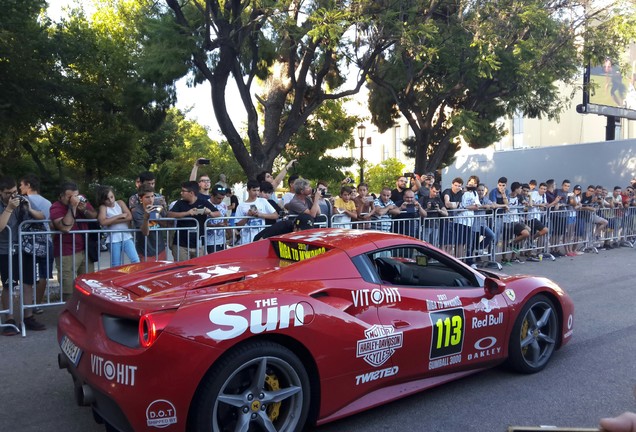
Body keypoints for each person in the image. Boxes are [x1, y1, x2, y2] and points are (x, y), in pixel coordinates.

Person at [0, 176, 46, 334]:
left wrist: (28, 208)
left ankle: (28, 317)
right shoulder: (4, 205)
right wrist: (9, 208)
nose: (12, 195)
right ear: (1, 193)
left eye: (14, 191)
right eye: (8, 193)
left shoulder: (22, 200)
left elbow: (42, 217)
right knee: (8, 285)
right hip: (6, 250)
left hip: (25, 248)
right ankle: (9, 319)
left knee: (28, 283)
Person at [50, 181, 98, 301]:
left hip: (85, 249)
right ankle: (69, 313)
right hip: (66, 251)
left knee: (88, 285)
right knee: (68, 288)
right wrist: (73, 207)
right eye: (70, 197)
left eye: (76, 195)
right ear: (61, 196)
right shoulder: (56, 207)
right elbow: (65, 227)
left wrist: (85, 210)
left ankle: (86, 314)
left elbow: (94, 216)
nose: (74, 199)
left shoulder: (82, 201)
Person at [19, 174, 54, 311]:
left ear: (28, 185)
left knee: (28, 275)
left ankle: (28, 305)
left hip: (29, 243)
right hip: (47, 241)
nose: (20, 187)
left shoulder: (23, 200)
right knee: (44, 274)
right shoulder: (47, 202)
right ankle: (37, 304)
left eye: (21, 184)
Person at [167, 181, 220, 261]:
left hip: (199, 244)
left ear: (191, 193)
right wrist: (187, 213)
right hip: (181, 244)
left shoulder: (203, 202)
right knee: (181, 270)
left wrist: (210, 212)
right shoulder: (180, 203)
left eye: (183, 191)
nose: (181, 193)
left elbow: (218, 213)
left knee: (198, 270)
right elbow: (170, 214)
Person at [96, 186, 139, 267]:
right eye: (107, 199)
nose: (111, 200)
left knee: (135, 259)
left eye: (112, 197)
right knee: (116, 264)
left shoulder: (120, 203)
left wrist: (110, 221)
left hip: (126, 236)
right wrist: (119, 216)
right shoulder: (103, 207)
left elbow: (129, 217)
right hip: (113, 238)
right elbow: (102, 221)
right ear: (102, 200)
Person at [131, 184, 168, 261]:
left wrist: (159, 212)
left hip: (160, 248)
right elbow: (145, 232)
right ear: (141, 198)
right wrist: (146, 217)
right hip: (145, 250)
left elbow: (167, 225)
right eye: (147, 197)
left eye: (152, 196)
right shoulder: (137, 211)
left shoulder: (157, 207)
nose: (151, 200)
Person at [235, 180, 278, 244]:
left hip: (260, 238)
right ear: (248, 190)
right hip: (246, 240)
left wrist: (260, 215)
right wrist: (247, 216)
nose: (256, 193)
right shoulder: (241, 206)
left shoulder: (263, 201)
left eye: (258, 190)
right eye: (254, 190)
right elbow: (238, 225)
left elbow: (275, 215)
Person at [205, 185, 229, 253]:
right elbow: (202, 223)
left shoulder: (224, 205)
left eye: (222, 198)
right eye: (218, 198)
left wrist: (230, 234)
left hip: (222, 240)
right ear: (212, 195)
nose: (220, 200)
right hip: (209, 241)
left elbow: (225, 217)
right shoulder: (205, 203)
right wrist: (215, 226)